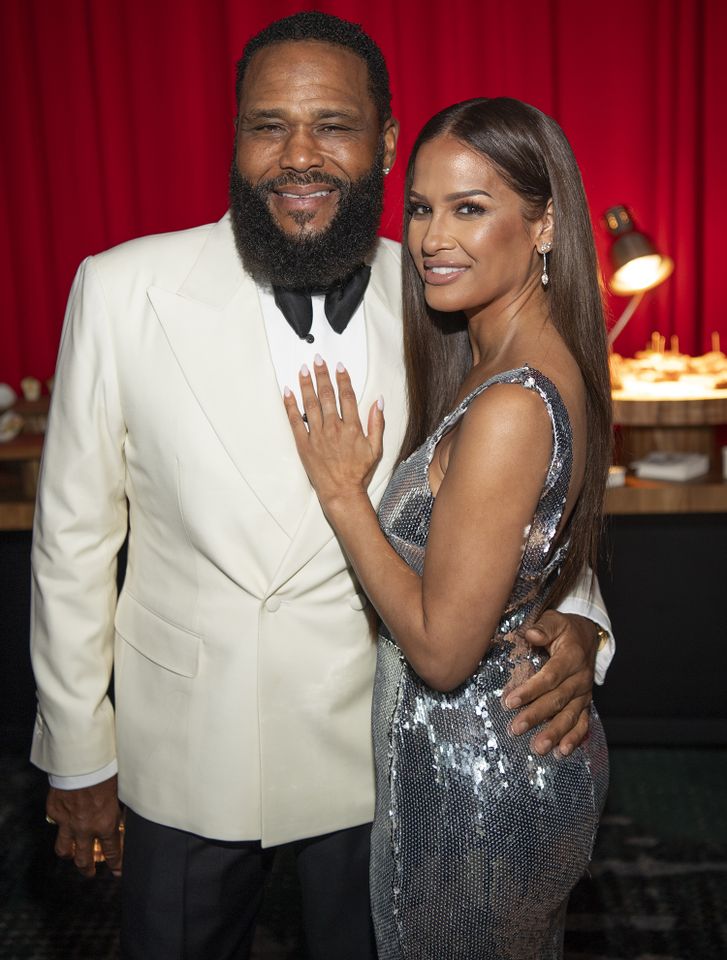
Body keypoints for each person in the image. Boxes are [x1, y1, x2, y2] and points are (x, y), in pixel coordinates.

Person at [29, 13, 613, 960]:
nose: (298, 156)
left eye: (332, 125)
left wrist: (580, 620)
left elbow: (528, 479)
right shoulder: (122, 288)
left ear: (383, 143)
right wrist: (77, 751)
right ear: (236, 139)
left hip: (378, 757)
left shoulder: (442, 286)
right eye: (268, 126)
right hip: (187, 748)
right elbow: (72, 543)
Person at [284, 96, 611, 959]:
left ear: (543, 226)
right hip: (470, 759)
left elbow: (440, 651)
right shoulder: (492, 357)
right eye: (422, 208)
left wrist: (346, 498)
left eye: (470, 208)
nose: (432, 238)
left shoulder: (510, 401)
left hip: (478, 781)